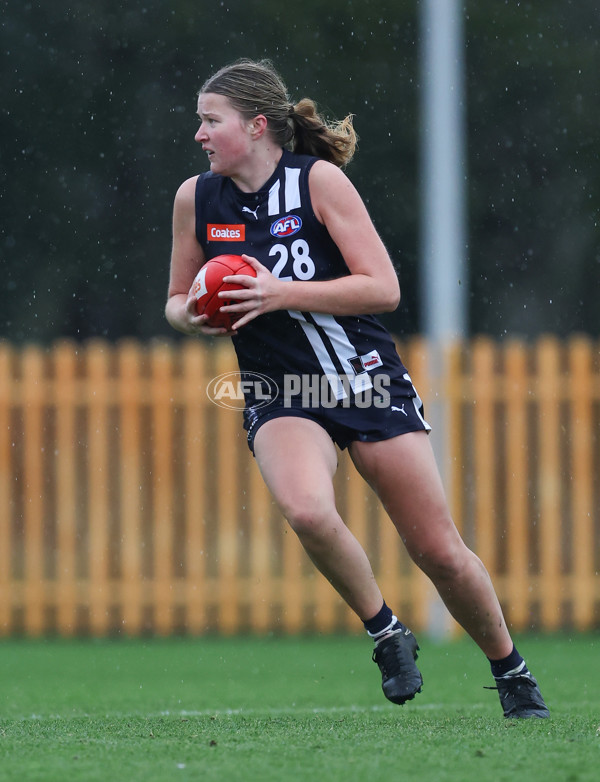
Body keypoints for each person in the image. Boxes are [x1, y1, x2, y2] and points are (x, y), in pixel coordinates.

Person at [165, 58, 549, 719]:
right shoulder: (195, 199)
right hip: (280, 390)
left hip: (363, 381)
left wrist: (283, 292)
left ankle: (511, 672)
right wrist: (197, 312)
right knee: (309, 512)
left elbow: (384, 288)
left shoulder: (318, 183)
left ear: (257, 126)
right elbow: (175, 300)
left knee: (436, 550)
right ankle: (386, 631)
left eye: (210, 121)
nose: (198, 134)